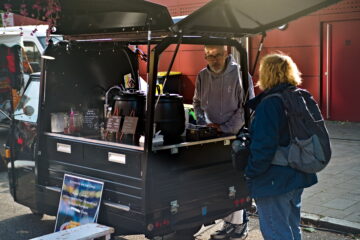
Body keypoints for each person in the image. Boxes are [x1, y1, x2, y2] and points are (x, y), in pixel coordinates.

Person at [245, 53, 318, 240]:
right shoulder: (300, 96)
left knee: (276, 232)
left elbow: (263, 147)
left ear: (266, 74)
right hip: (299, 173)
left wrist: (251, 173)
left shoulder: (270, 104)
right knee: (292, 228)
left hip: (274, 179)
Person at [193, 45, 254, 240]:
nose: (214, 60)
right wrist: (205, 125)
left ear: (226, 54)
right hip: (212, 135)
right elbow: (196, 103)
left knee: (234, 179)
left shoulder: (240, 74)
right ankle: (229, 223)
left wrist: (226, 128)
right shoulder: (202, 75)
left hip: (235, 136)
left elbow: (247, 106)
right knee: (220, 181)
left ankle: (240, 224)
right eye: (209, 56)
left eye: (217, 55)